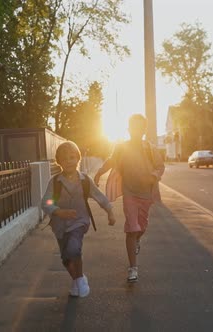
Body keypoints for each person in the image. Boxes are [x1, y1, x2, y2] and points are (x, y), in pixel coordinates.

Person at [93, 114, 165, 283]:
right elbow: (111, 161)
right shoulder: (122, 147)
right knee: (131, 228)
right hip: (129, 194)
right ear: (129, 128)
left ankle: (137, 240)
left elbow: (160, 166)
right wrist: (99, 173)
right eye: (134, 127)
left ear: (144, 130)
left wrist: (154, 176)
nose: (137, 130)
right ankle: (133, 268)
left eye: (140, 127)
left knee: (141, 227)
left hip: (146, 194)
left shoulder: (150, 148)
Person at [41, 141, 116, 298]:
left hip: (79, 222)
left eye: (72, 157)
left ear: (78, 158)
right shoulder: (55, 182)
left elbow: (99, 196)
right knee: (65, 258)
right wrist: (58, 211)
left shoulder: (84, 181)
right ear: (59, 162)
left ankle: (79, 279)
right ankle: (78, 280)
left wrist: (109, 211)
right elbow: (46, 201)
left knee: (74, 249)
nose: (69, 161)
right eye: (64, 158)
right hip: (59, 226)